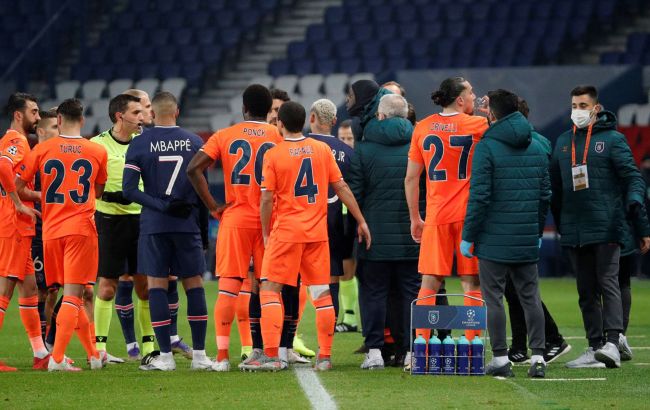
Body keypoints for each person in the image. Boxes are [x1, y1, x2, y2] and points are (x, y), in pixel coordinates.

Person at [241, 101, 371, 371]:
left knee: (270, 289)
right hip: (317, 233)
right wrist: (361, 220)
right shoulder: (322, 150)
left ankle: (272, 356)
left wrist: (265, 232)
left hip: (286, 232)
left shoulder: (274, 154)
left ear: (280, 124)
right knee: (322, 293)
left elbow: (266, 199)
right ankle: (325, 358)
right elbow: (342, 187)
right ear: (304, 121)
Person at [187, 84, 282, 371]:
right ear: (268, 110)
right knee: (269, 289)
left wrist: (212, 205)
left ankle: (222, 357)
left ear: (244, 108)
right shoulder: (278, 136)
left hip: (235, 218)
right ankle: (272, 354)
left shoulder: (225, 135)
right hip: (269, 221)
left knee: (228, 288)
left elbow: (193, 169)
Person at [552, 85, 647, 369]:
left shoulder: (613, 140)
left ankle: (613, 343)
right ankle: (594, 348)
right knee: (586, 291)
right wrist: (560, 221)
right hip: (574, 228)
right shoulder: (563, 142)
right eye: (574, 105)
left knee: (608, 282)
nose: (577, 111)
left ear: (596, 108)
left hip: (607, 224)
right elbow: (555, 188)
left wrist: (635, 206)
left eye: (583, 106)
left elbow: (633, 178)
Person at [461, 89, 550, 378]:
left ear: (492, 114)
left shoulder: (486, 146)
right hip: (525, 236)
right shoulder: (538, 145)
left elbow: (480, 196)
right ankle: (539, 358)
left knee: (494, 298)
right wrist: (537, 231)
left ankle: (500, 358)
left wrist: (469, 235)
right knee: (530, 297)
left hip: (492, 239)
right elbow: (544, 196)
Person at [122, 91, 212, 371]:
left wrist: (161, 206)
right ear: (177, 111)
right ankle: (200, 357)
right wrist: (203, 232)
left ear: (152, 113)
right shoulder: (195, 142)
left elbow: (128, 190)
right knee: (194, 285)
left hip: (155, 225)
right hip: (187, 225)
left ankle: (166, 357)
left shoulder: (139, 143)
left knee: (157, 287)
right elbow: (203, 193)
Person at [17, 98, 107, 371]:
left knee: (72, 294)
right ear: (82, 120)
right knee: (73, 295)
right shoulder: (97, 151)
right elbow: (98, 191)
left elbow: (18, 185)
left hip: (51, 231)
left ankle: (93, 354)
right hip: (80, 230)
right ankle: (56, 358)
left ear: (58, 120)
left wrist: (35, 199)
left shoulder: (42, 149)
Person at [405, 77, 487, 356]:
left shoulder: (422, 127)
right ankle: (472, 348)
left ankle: (421, 348)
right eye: (471, 92)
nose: (474, 96)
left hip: (436, 215)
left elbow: (411, 178)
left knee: (429, 282)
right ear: (460, 99)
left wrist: (415, 217)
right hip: (468, 216)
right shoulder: (479, 125)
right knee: (471, 281)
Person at [348, 90, 421, 370]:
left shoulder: (364, 149)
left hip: (373, 236)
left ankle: (375, 351)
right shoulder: (418, 144)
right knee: (411, 294)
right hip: (412, 234)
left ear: (380, 115)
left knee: (374, 293)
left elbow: (355, 194)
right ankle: (411, 351)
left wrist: (357, 225)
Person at [504, 98, 571, 364]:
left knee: (522, 289)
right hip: (524, 223)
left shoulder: (532, 143)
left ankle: (553, 339)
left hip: (519, 223)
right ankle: (520, 346)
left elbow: (539, 189)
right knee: (514, 289)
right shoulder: (539, 142)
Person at [91, 94, 150, 362]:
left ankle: (149, 346)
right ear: (119, 116)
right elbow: (91, 185)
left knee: (145, 286)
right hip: (109, 220)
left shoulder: (146, 143)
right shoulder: (98, 145)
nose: (142, 117)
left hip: (141, 219)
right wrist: (108, 196)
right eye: (136, 113)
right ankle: (100, 348)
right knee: (107, 287)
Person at [0, 93, 46, 371]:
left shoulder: (17, 141)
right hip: (14, 224)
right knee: (5, 289)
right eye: (34, 112)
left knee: (30, 288)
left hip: (20, 226)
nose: (38, 117)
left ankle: (40, 354)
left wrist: (33, 197)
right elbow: (2, 166)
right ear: (19, 115)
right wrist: (17, 203)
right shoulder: (16, 141)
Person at [307, 99, 355, 322]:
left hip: (300, 220)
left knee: (295, 278)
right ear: (334, 121)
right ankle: (330, 328)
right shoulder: (347, 153)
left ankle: (291, 336)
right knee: (332, 274)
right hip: (334, 221)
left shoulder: (298, 146)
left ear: (312, 117)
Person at [31, 109, 59, 344]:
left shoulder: (57, 159)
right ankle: (41, 345)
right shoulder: (32, 159)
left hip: (58, 232)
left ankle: (49, 342)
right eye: (55, 127)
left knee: (55, 290)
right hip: (37, 234)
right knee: (42, 290)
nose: (60, 131)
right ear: (41, 132)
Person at [332, 118, 359, 334]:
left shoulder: (357, 160)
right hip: (336, 217)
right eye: (342, 138)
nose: (346, 142)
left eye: (350, 138)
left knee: (349, 268)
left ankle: (350, 317)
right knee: (341, 268)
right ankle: (346, 317)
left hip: (353, 218)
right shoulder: (332, 158)